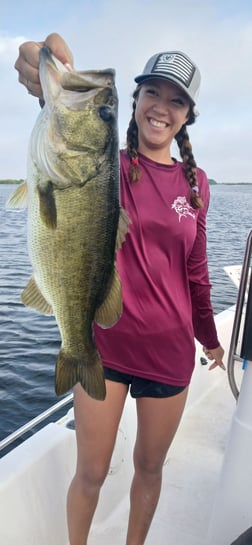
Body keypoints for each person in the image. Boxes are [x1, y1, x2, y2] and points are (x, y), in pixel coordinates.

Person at [15, 33, 225, 545]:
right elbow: (74, 145)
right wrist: (45, 82)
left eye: (177, 100)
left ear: (187, 117)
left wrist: (210, 338)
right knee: (90, 472)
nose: (162, 107)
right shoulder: (110, 165)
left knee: (148, 469)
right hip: (103, 350)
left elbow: (196, 272)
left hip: (170, 356)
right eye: (152, 92)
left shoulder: (197, 188)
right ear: (135, 100)